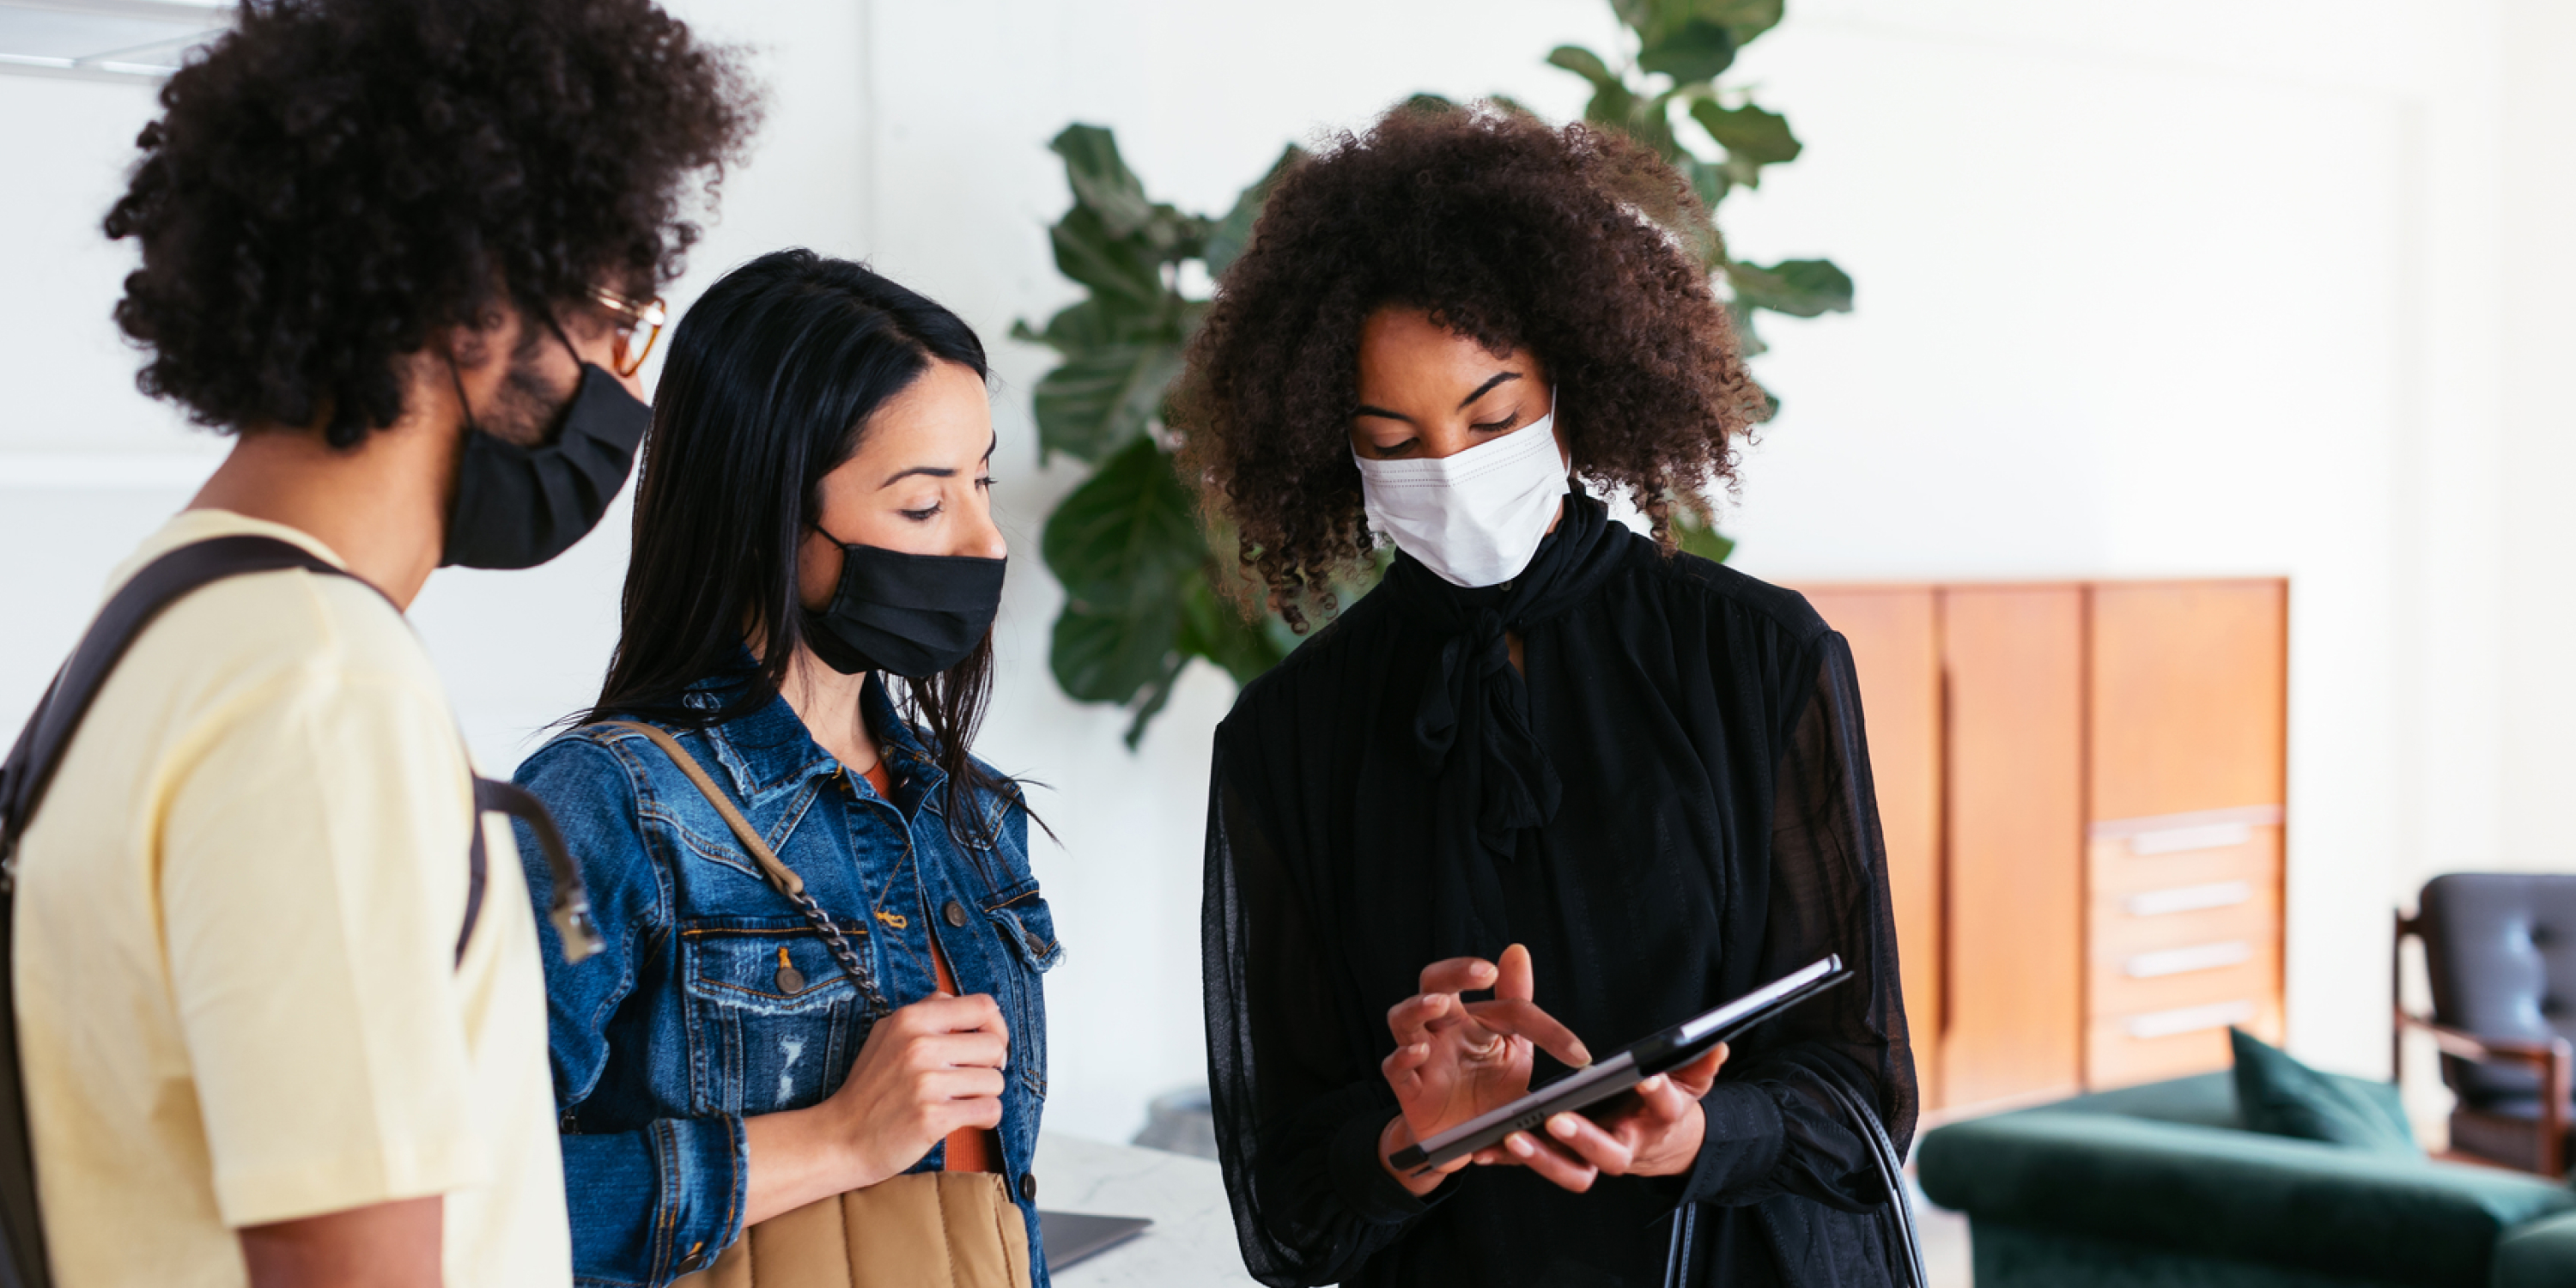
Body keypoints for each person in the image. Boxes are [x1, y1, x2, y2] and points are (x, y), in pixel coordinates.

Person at [3, 2, 754, 1285]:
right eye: (616, 319)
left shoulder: (161, 623)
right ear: (474, 306)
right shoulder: (318, 688)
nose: (622, 386)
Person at [1176, 104, 1916, 1287]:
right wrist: (1409, 1136)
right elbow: (1289, 1211)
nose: (1453, 475)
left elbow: (1862, 1098)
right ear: (1331, 447)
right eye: (1394, 441)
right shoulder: (1288, 739)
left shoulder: (1760, 659)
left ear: (1574, 378)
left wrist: (1698, 1135)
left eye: (1493, 418)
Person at [511, 250, 1058, 1287]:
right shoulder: (608, 805)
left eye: (980, 480)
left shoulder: (976, 816)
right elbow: (465, 1205)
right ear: (768, 507)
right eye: (921, 504)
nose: (985, 539)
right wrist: (838, 1141)